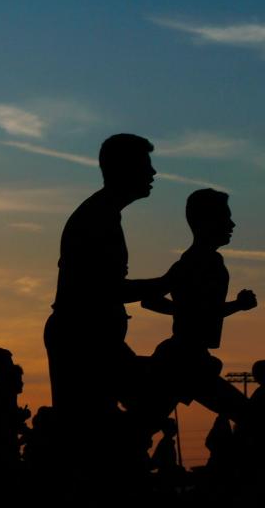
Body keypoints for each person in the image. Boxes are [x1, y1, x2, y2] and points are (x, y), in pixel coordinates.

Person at [43, 134, 170, 467]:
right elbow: (105, 290)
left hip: (91, 339)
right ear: (125, 169)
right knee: (89, 439)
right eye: (146, 166)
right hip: (83, 341)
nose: (154, 173)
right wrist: (169, 282)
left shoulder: (103, 215)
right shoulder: (97, 219)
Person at [143, 189, 256, 424]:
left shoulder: (203, 261)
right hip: (186, 362)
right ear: (206, 223)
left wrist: (235, 305)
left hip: (189, 359)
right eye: (225, 217)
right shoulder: (195, 263)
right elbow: (153, 300)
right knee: (249, 416)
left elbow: (202, 310)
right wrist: (235, 305)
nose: (232, 224)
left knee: (144, 422)